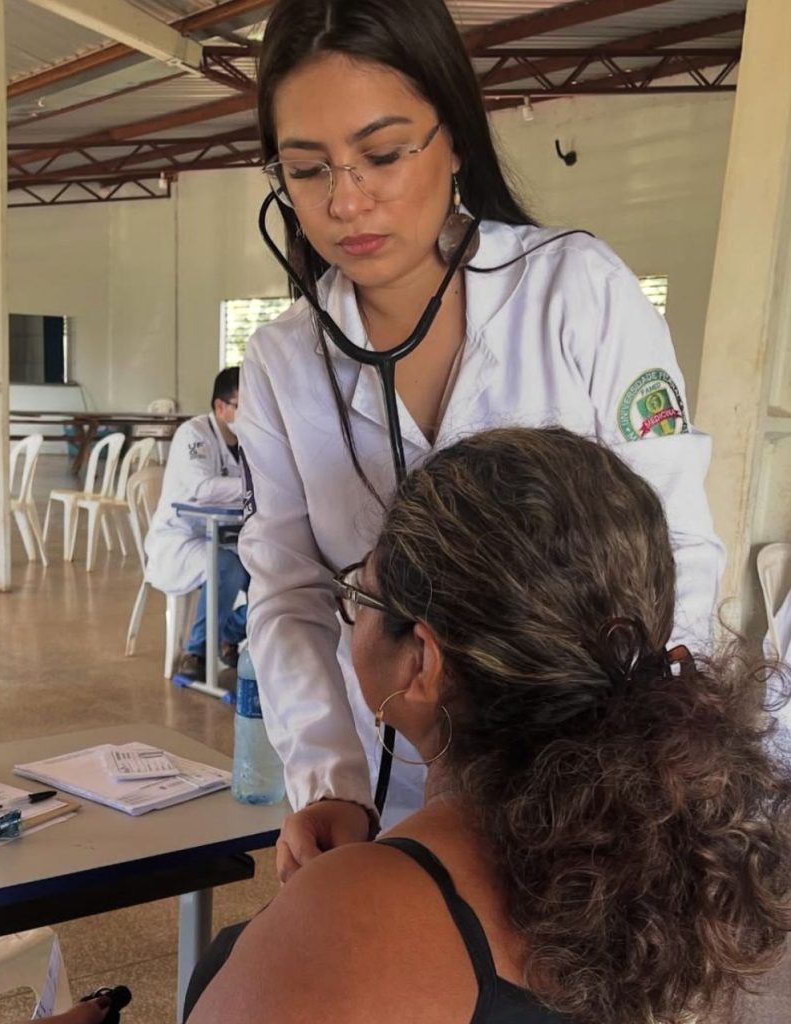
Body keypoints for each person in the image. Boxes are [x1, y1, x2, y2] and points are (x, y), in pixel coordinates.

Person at [234, 0, 726, 876]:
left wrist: (642, 767)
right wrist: (330, 778)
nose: (347, 201)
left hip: (590, 788)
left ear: (455, 136)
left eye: (382, 155)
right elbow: (289, 589)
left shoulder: (574, 291)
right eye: (307, 170)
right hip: (389, 795)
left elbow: (673, 543)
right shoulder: (282, 361)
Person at [184, 428, 791, 1024]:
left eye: (358, 595)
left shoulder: (352, 916)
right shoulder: (646, 881)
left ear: (421, 660)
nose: (350, 616)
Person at [145, 366, 246, 682]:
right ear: (221, 407)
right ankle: (197, 650)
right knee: (227, 566)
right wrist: (255, 487)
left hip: (225, 533)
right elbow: (202, 489)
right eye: (245, 407)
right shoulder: (194, 435)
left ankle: (228, 631)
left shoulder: (249, 441)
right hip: (182, 536)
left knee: (275, 571)